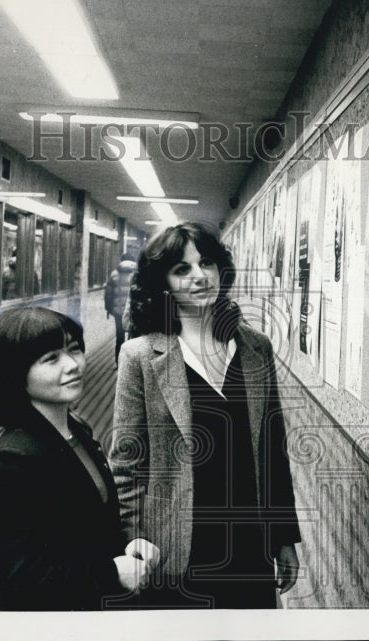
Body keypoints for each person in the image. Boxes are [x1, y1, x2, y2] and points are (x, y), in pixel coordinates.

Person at [109, 222, 300, 609]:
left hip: (249, 547)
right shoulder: (141, 356)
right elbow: (126, 464)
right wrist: (133, 539)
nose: (199, 276)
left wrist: (283, 537)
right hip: (175, 553)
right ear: (163, 281)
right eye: (182, 269)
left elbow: (272, 450)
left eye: (207, 263)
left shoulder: (255, 347)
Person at [0, 306, 160, 610]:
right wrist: (112, 573)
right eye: (51, 359)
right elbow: (24, 579)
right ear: (16, 374)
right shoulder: (11, 463)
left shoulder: (77, 429)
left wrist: (130, 539)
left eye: (74, 350)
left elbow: (96, 520)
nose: (72, 365)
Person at [105, 252, 137, 363]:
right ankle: (132, 363)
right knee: (134, 336)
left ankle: (119, 362)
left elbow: (108, 295)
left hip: (118, 311)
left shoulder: (114, 274)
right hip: (133, 310)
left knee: (119, 336)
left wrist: (109, 309)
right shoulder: (138, 274)